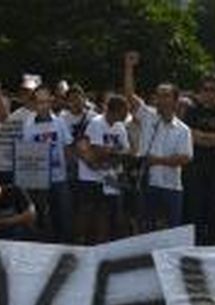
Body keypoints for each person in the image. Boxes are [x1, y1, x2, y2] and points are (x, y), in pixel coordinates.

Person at [123, 51, 193, 232]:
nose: (161, 99)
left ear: (176, 100)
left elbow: (185, 158)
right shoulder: (148, 116)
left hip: (172, 187)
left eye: (166, 95)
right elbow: (130, 95)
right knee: (147, 228)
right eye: (159, 95)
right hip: (148, 184)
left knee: (171, 229)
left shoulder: (183, 129)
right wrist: (129, 68)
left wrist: (158, 161)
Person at [19, 85, 75, 243]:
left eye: (45, 102)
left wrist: (70, 171)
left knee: (63, 219)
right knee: (41, 220)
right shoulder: (27, 125)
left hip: (60, 178)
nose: (42, 106)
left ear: (51, 102)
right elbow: (25, 154)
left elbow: (68, 147)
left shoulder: (60, 122)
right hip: (38, 183)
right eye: (39, 102)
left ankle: (64, 248)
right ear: (34, 103)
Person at [184, 74, 215, 244]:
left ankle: (212, 243)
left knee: (214, 205)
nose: (209, 93)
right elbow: (191, 136)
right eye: (206, 89)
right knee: (196, 205)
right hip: (196, 164)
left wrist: (205, 137)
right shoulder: (191, 110)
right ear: (200, 92)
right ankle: (196, 242)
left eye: (213, 90)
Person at [78, 95, 131, 241]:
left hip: (110, 176)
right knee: (87, 210)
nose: (127, 114)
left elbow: (127, 151)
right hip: (90, 176)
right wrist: (114, 150)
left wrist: (109, 152)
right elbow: (96, 150)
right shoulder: (96, 123)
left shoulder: (120, 126)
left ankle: (102, 241)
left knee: (105, 210)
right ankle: (81, 239)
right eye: (125, 110)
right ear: (116, 111)